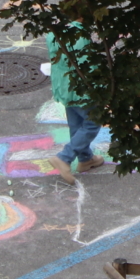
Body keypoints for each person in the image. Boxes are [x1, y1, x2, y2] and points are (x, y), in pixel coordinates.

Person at [46, 26, 103, 182]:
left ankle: (86, 159)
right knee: (92, 123)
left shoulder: (55, 31)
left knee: (77, 124)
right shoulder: (79, 35)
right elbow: (87, 67)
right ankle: (65, 157)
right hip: (81, 89)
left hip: (64, 86)